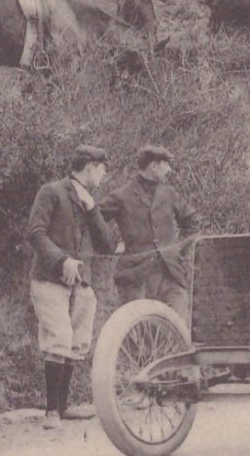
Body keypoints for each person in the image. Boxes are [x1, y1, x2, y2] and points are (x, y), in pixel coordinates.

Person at [27, 145, 115, 428]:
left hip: (81, 282)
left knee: (77, 340)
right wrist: (61, 260)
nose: (104, 174)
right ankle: (52, 411)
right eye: (102, 168)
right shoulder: (51, 191)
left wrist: (93, 210)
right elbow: (36, 233)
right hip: (49, 278)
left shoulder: (89, 201)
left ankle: (64, 407)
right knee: (58, 337)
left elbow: (106, 245)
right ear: (89, 166)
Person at [99, 145, 201, 324]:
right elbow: (95, 222)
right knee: (140, 332)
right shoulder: (121, 196)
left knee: (178, 329)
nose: (169, 170)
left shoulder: (168, 193)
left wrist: (177, 249)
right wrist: (113, 245)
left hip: (171, 274)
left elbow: (193, 221)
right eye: (166, 165)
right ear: (154, 166)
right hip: (136, 276)